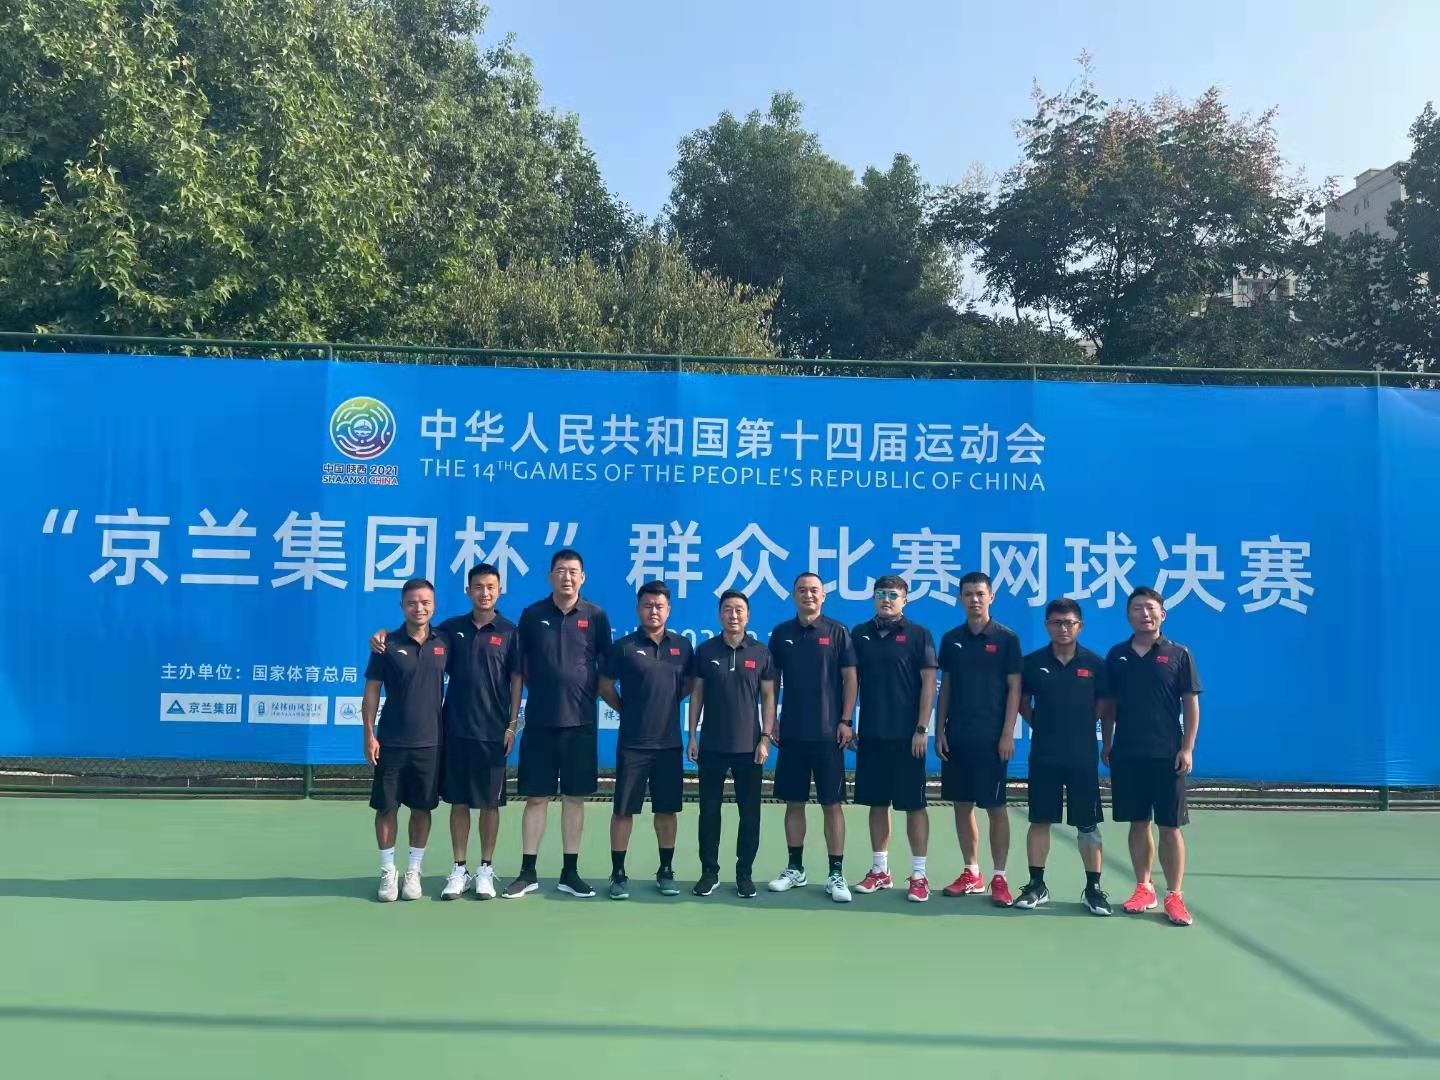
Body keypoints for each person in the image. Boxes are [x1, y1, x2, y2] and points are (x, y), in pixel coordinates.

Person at [369, 563, 521, 901]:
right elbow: (416, 637)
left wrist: (512, 724)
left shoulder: (511, 632)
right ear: (468, 591)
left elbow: (516, 680)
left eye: (491, 587)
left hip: (493, 732)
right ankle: (459, 869)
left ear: (499, 590)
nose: (484, 592)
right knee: (458, 802)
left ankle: (485, 869)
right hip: (453, 730)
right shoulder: (450, 631)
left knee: (490, 804)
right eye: (478, 586)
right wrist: (382, 634)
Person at [501, 549, 613, 900]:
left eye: (573, 571)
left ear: (583, 577)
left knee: (574, 799)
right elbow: (520, 669)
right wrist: (514, 719)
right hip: (540, 722)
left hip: (581, 723)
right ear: (550, 576)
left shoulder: (596, 616)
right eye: (561, 571)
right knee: (536, 798)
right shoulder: (532, 615)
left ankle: (570, 873)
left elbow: (606, 669)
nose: (567, 577)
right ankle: (527, 872)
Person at [1101, 586, 1203, 927]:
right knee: (1138, 822)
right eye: (1137, 608)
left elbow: (1190, 703)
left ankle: (1174, 895)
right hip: (1128, 752)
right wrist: (1107, 743)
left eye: (1150, 608)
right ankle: (1143, 888)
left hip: (1167, 754)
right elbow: (1109, 705)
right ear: (1128, 615)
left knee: (1170, 826)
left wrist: (1186, 748)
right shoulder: (1117, 655)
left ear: (1162, 614)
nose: (1144, 614)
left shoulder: (1179, 654)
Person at [1014, 598, 1112, 915]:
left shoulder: (1095, 664)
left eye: (1069, 622)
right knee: (1040, 819)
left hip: (1082, 755)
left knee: (1088, 825)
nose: (1063, 628)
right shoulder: (1032, 663)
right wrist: (1041, 724)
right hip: (1044, 755)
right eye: (1056, 622)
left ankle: (1093, 889)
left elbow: (1105, 705)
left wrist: (1086, 726)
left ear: (1080, 626)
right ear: (1047, 626)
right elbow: (1022, 701)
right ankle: (1036, 885)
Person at [598, 580, 694, 899]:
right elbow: (605, 685)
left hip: (669, 744)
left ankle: (665, 870)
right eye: (648, 605)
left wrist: (669, 701)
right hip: (633, 744)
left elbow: (690, 684)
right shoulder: (624, 647)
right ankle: (618, 874)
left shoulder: (682, 647)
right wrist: (626, 709)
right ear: (638, 609)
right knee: (623, 811)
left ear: (669, 610)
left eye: (659, 606)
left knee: (666, 810)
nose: (654, 611)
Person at [766, 572, 858, 903]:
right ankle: (795, 868)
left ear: (823, 596)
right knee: (794, 802)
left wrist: (846, 721)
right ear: (794, 595)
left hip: (829, 733)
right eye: (802, 590)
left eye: (814, 590)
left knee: (832, 804)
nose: (808, 595)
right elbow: (771, 682)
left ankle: (836, 873)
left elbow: (851, 679)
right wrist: (772, 720)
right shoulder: (781, 633)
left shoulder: (838, 632)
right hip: (792, 732)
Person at [936, 571, 1023, 907]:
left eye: (980, 594)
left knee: (995, 807)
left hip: (992, 738)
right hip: (958, 735)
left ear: (991, 597)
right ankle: (972, 872)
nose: (974, 599)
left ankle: (999, 877)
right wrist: (939, 730)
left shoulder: (1006, 639)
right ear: (960, 598)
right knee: (962, 805)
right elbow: (946, 686)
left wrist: (1007, 733)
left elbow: (1015, 689)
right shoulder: (951, 639)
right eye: (968, 594)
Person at [850, 575, 938, 903]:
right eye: (880, 594)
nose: (886, 599)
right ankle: (880, 870)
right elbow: (851, 681)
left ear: (905, 600)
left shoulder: (919, 634)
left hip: (908, 737)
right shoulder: (860, 633)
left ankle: (919, 875)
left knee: (914, 806)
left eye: (893, 594)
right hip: (872, 734)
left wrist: (921, 729)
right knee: (877, 803)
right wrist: (847, 722)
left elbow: (929, 683)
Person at [361, 578, 449, 902]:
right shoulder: (385, 644)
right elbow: (372, 690)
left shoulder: (445, 642)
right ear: (402, 606)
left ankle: (414, 871)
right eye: (412, 602)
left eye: (425, 602)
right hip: (392, 742)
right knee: (387, 808)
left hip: (431, 743)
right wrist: (369, 734)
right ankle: (388, 871)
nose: (419, 608)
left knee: (422, 808)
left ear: (434, 606)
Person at [686, 590, 778, 898]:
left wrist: (765, 738)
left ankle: (744, 874)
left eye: (739, 610)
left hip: (749, 748)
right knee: (709, 812)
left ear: (748, 616)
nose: (733, 615)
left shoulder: (761, 653)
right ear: (719, 615)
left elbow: (769, 697)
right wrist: (692, 736)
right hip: (711, 746)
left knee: (749, 814)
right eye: (728, 609)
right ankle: (709, 872)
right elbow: (696, 695)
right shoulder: (705, 650)